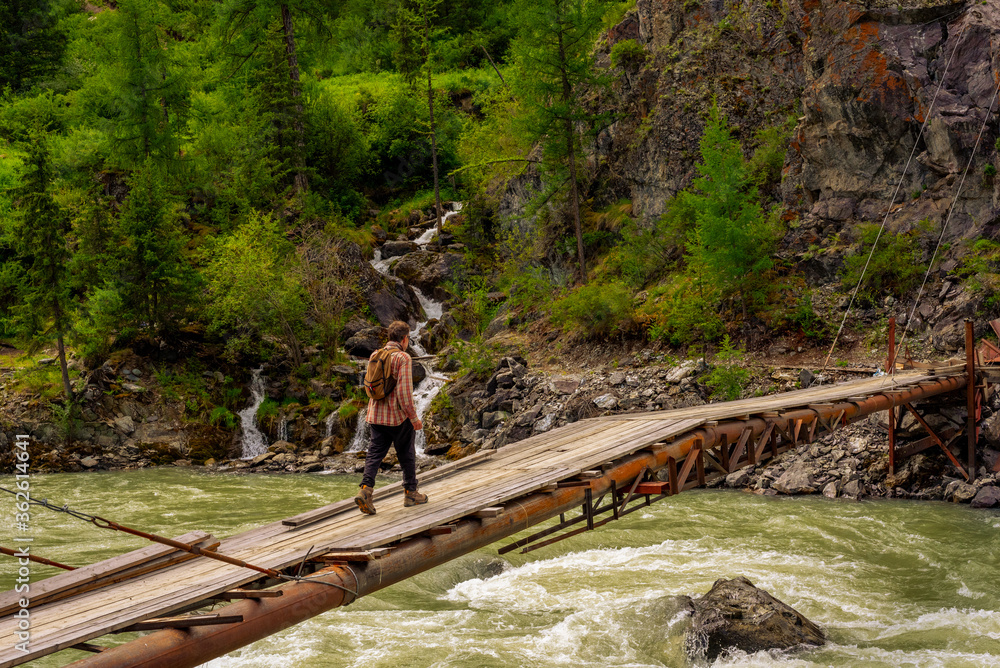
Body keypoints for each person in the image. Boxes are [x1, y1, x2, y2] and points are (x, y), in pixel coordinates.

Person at [355, 321, 428, 515]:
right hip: (397, 416)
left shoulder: (375, 354)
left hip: (376, 415)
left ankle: (365, 491)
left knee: (374, 454)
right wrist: (413, 418)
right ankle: (411, 493)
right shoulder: (403, 358)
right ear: (404, 339)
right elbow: (404, 394)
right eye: (408, 339)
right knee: (407, 453)